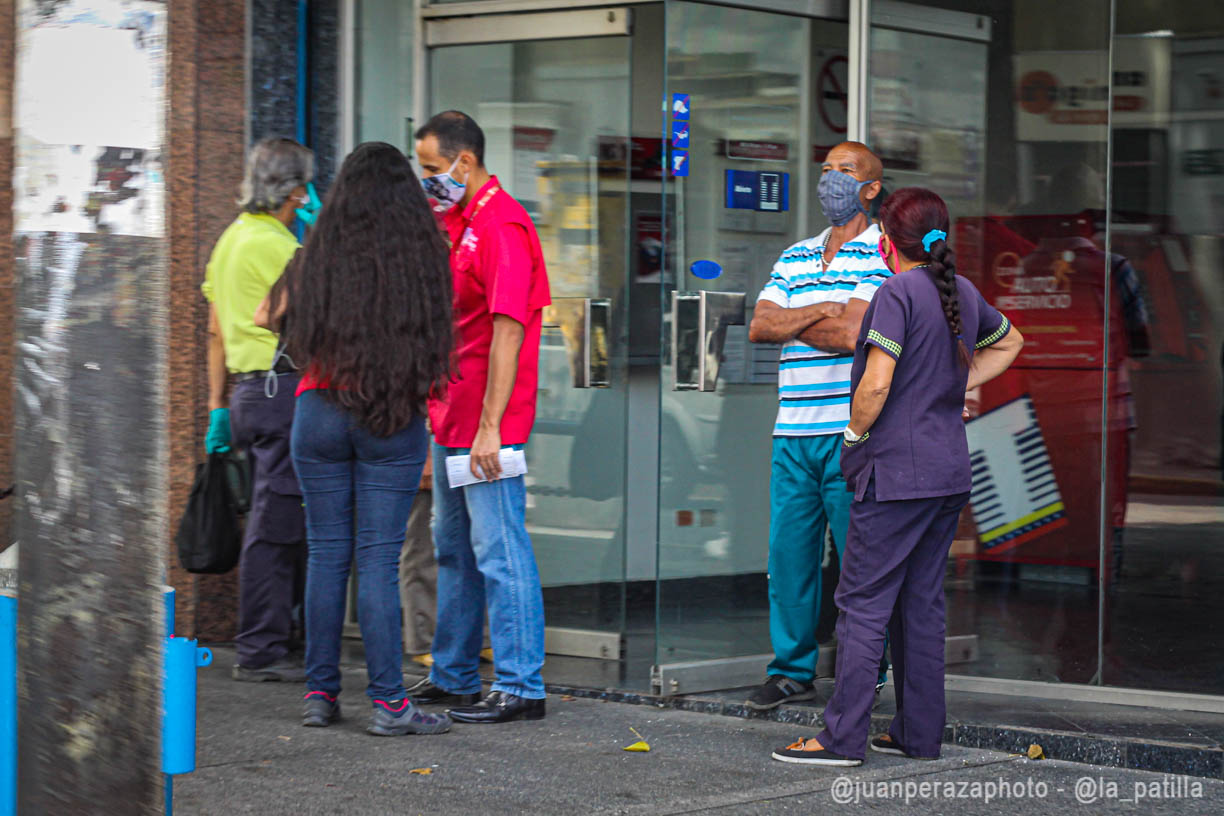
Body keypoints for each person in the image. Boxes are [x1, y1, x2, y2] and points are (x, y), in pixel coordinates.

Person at [771, 187, 1023, 766]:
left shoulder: (895, 292)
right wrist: (952, 389)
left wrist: (853, 436)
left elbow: (876, 385)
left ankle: (840, 739)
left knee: (861, 603)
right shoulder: (957, 289)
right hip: (946, 473)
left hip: (896, 474)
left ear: (887, 239)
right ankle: (916, 733)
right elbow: (1010, 341)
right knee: (921, 604)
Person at [256, 141, 455, 736]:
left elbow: (268, 314)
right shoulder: (423, 256)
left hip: (318, 408)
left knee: (325, 554)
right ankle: (390, 705)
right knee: (376, 559)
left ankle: (321, 695)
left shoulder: (316, 251)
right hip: (388, 414)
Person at [405, 111, 552, 724]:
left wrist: (492, 425)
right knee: (453, 549)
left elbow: (509, 329)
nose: (429, 180)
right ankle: (454, 674)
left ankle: (521, 685)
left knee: (499, 547)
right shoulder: (458, 221)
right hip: (452, 414)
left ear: (464, 161)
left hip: (486, 422)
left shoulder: (500, 224)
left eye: (434, 169)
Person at [744, 141, 891, 710]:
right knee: (789, 560)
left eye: (845, 171)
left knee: (859, 561)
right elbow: (759, 326)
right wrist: (823, 310)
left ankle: (863, 672)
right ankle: (790, 671)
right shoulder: (796, 255)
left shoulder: (884, 254)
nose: (831, 179)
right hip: (793, 434)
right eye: (826, 169)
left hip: (850, 432)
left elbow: (853, 335)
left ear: (871, 188)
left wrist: (797, 318)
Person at [202, 137, 315, 683]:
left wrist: (215, 406)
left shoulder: (231, 239)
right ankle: (262, 648)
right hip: (281, 391)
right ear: (295, 189)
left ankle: (277, 637)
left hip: (247, 394)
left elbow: (214, 330)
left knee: (277, 514)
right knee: (275, 523)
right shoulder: (279, 245)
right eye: (306, 185)